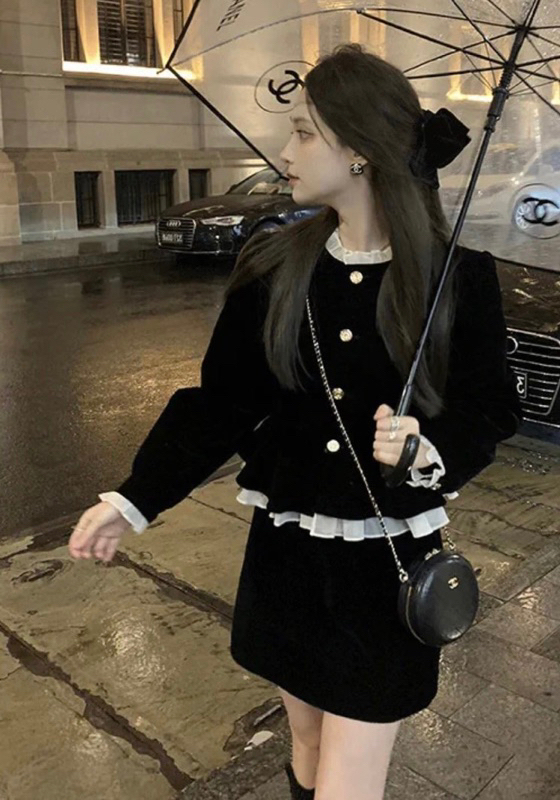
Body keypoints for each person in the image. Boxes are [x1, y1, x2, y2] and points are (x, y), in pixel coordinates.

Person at [68, 44, 521, 800]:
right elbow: (223, 402)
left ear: (361, 152)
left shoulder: (456, 277)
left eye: (305, 132)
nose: (285, 150)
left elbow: (492, 405)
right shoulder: (276, 264)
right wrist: (133, 499)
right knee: (306, 747)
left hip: (385, 567)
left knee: (349, 775)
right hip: (288, 556)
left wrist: (426, 447)